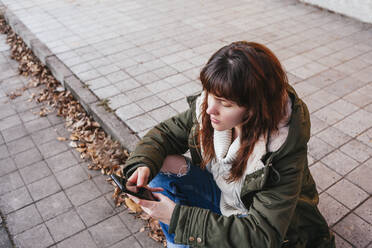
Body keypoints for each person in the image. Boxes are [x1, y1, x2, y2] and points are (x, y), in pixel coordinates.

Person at [123, 41, 335, 248]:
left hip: (257, 227)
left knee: (185, 224)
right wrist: (142, 164)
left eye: (225, 104)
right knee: (161, 163)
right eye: (210, 94)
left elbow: (261, 235)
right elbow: (166, 134)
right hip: (224, 199)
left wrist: (180, 219)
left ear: (255, 109)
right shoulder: (209, 106)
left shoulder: (281, 151)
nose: (209, 109)